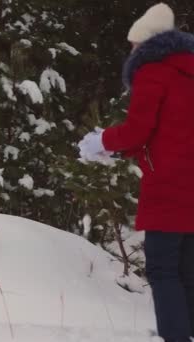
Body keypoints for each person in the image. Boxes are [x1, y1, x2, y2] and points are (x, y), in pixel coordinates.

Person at [79, 3, 194, 342]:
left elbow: (140, 129)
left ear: (146, 44)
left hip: (168, 187)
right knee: (188, 272)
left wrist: (103, 141)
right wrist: (114, 149)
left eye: (133, 44)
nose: (130, 50)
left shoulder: (152, 71)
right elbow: (170, 132)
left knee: (161, 269)